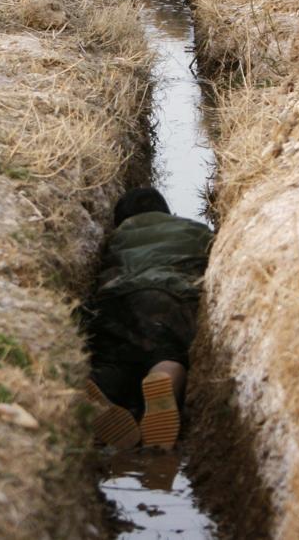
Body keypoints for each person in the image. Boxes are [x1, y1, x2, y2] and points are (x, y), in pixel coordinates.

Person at [83, 187, 213, 450]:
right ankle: (163, 379)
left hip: (117, 300)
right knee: (169, 352)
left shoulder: (117, 236)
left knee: (114, 359)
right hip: (172, 298)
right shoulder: (196, 230)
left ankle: (99, 390)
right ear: (166, 213)